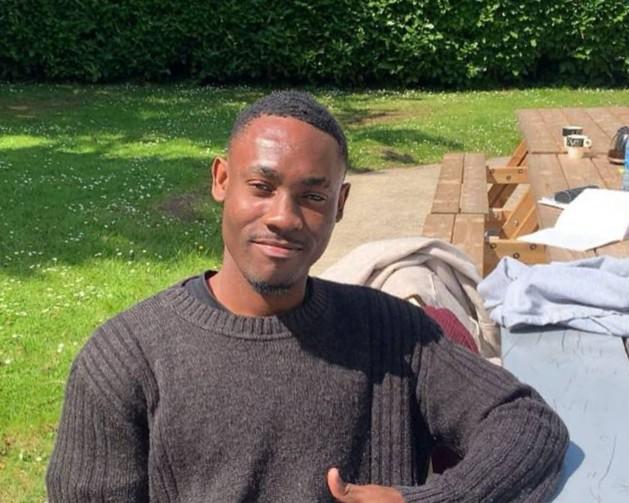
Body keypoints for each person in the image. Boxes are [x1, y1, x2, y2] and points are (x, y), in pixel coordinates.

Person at [46, 90, 568, 502]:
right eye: (261, 186)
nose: (284, 217)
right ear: (222, 180)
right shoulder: (125, 360)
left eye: (312, 196)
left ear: (340, 204)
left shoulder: (395, 335)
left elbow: (527, 423)